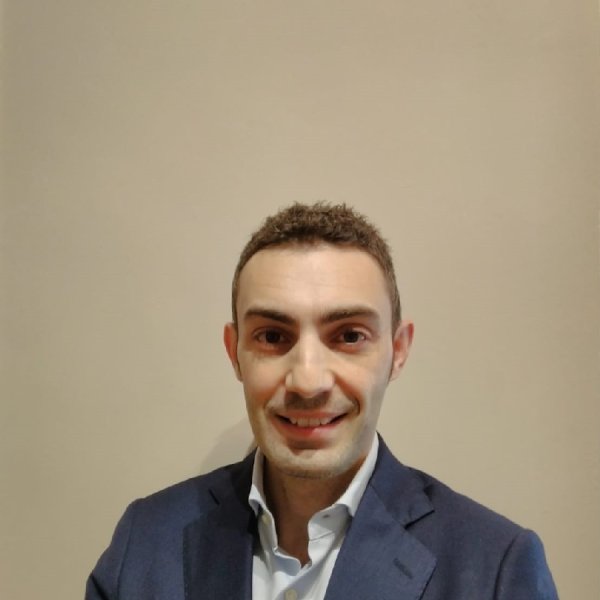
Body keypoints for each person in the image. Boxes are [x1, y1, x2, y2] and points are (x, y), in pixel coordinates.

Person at [86, 202, 558, 599]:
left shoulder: (495, 569)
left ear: (397, 351)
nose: (308, 381)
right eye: (273, 336)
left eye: (349, 336)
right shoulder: (144, 543)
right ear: (235, 353)